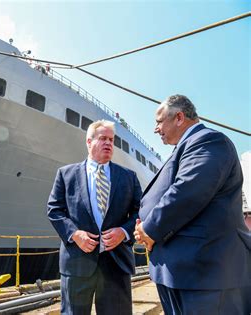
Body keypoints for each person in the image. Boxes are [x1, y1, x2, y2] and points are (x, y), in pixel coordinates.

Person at [134, 95, 251, 314]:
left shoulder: (208, 140)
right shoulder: (184, 148)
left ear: (179, 117)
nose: (155, 129)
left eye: (159, 121)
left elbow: (188, 191)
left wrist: (149, 229)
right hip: (183, 272)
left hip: (205, 276)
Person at [47, 120, 142, 315]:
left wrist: (123, 232)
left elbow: (141, 211)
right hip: (77, 264)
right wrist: (74, 235)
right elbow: (54, 210)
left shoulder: (128, 177)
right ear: (89, 142)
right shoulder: (66, 175)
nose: (108, 143)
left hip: (116, 265)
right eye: (103, 138)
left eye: (111, 139)